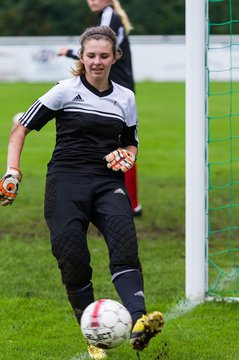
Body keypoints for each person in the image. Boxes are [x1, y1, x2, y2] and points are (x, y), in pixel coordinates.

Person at [0, 26, 163, 359]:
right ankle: (92, 335)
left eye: (104, 55)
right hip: (66, 182)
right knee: (72, 258)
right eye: (91, 55)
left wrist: (126, 155)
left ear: (115, 57)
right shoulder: (64, 91)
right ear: (82, 56)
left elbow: (131, 142)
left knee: (124, 244)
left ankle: (139, 320)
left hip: (107, 183)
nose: (97, 62)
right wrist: (12, 171)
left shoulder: (125, 97)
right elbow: (20, 130)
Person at [58, 0, 142, 217]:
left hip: (116, 93)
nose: (92, 1)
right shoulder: (112, 15)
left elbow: (100, 49)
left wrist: (69, 52)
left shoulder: (108, 16)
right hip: (117, 92)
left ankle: (127, 202)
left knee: (123, 147)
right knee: (122, 147)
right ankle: (127, 202)